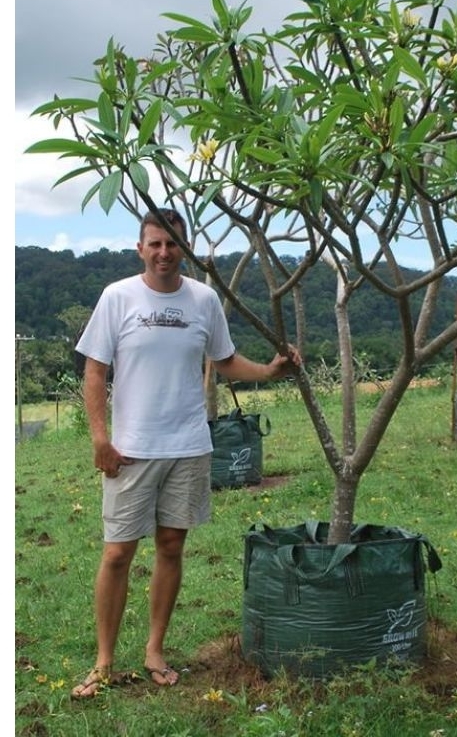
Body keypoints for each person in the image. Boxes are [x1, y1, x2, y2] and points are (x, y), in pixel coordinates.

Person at [71, 208, 302, 699]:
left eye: (172, 243)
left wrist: (268, 370)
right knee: (117, 553)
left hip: (189, 446)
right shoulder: (118, 297)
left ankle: (155, 650)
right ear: (140, 248)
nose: (163, 252)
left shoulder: (204, 300)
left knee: (172, 547)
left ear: (185, 248)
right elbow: (94, 372)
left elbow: (224, 360)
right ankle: (104, 660)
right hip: (130, 451)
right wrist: (99, 438)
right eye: (154, 243)